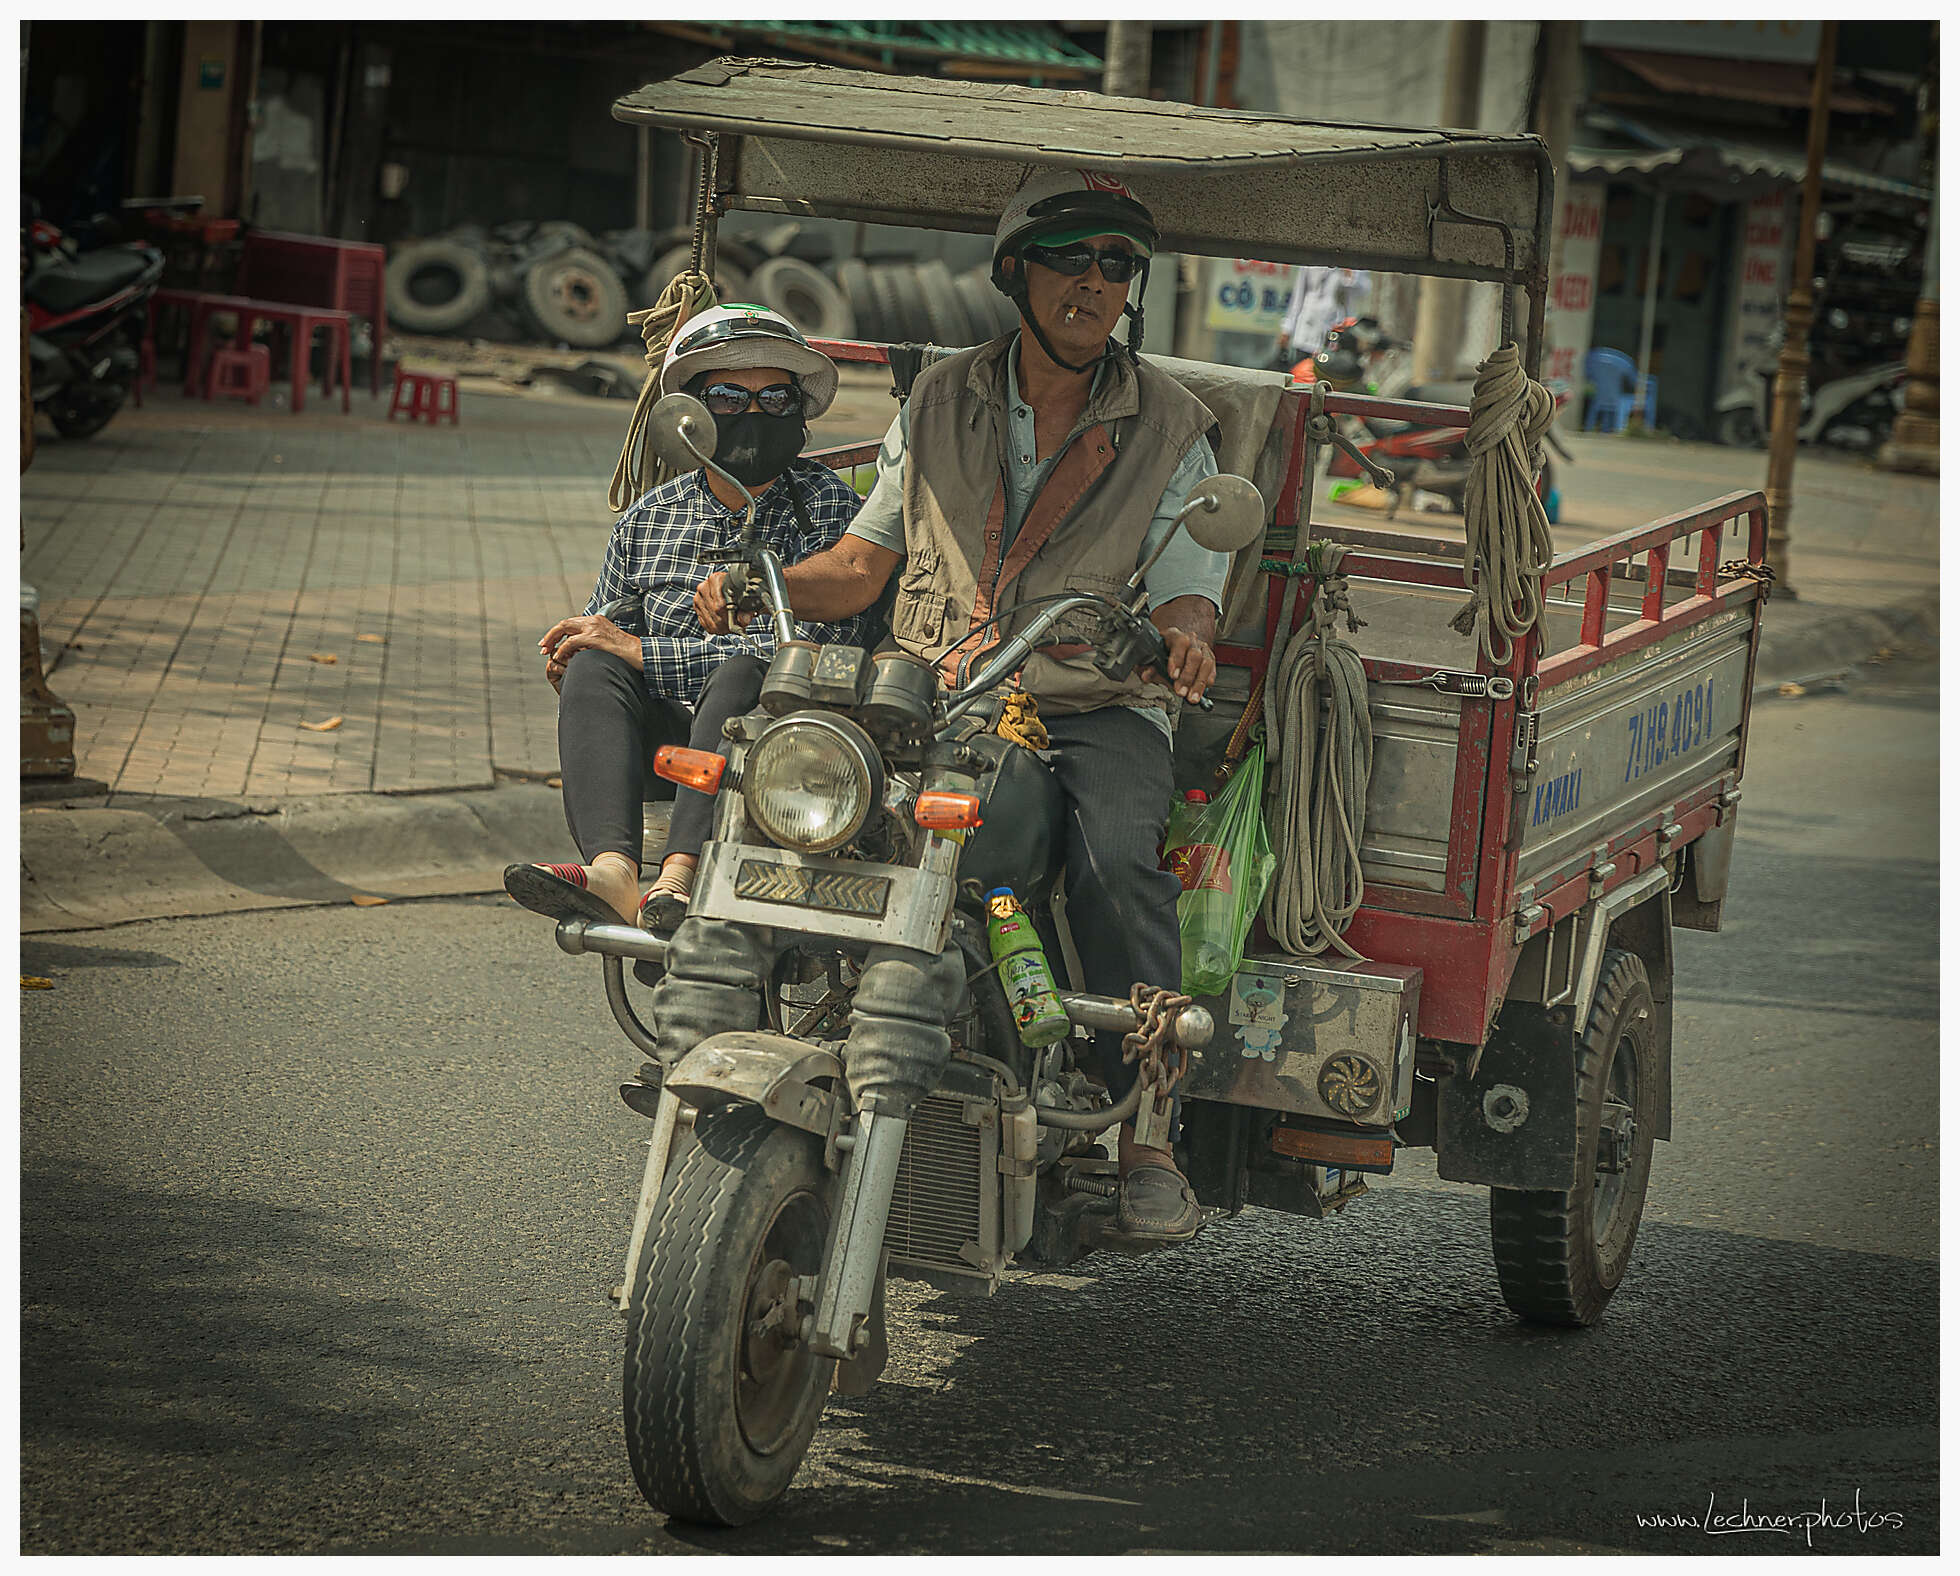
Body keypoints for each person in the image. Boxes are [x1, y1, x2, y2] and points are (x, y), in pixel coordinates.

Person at [694, 170, 1228, 1243]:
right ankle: (737, 1013)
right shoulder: (936, 397)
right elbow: (856, 564)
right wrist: (763, 581)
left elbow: (1188, 583)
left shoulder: (1171, 425)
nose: (1092, 283)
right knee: (793, 802)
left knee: (1117, 858)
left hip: (1086, 702)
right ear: (1015, 273)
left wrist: (1184, 635)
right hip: (931, 690)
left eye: (1115, 266)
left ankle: (1151, 1129)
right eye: (1070, 259)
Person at [505, 306, 876, 928]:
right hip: (664, 740)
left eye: (776, 399)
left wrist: (643, 652)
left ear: (800, 413)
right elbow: (608, 632)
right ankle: (614, 873)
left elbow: (799, 664)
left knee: (739, 673)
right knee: (594, 665)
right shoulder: (650, 516)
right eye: (730, 397)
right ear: (692, 418)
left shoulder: (841, 517)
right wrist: (578, 657)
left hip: (785, 751)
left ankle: (678, 875)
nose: (754, 415)